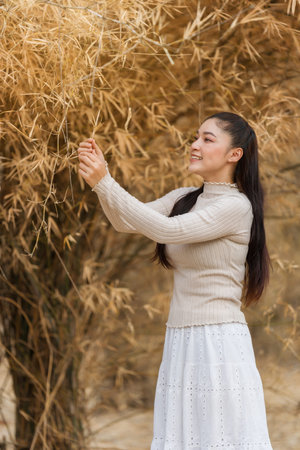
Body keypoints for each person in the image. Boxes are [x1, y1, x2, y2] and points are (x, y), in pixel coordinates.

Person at [77, 111, 273, 449]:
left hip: (218, 342)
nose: (195, 145)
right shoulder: (186, 198)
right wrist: (101, 182)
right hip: (181, 339)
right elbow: (127, 222)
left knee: (219, 438)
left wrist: (105, 183)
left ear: (234, 154)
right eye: (195, 138)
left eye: (207, 139)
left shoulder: (237, 207)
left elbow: (167, 230)